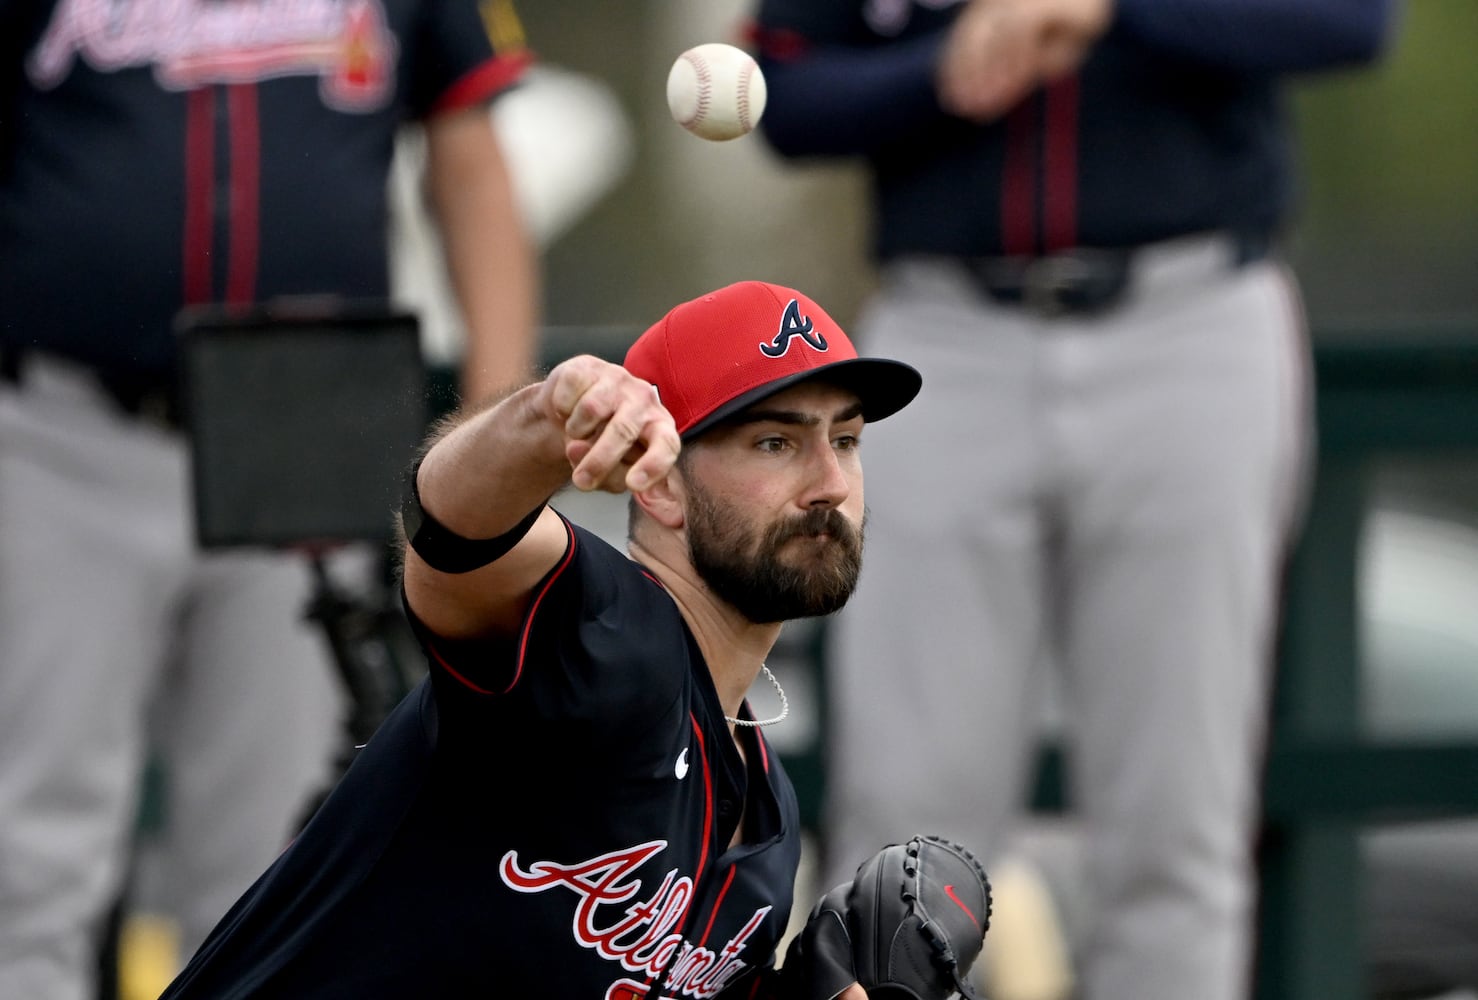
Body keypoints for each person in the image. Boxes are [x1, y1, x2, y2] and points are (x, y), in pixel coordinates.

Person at [746, 2, 1397, 999]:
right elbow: (779, 91)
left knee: (1174, 826)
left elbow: (1347, 21)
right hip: (942, 325)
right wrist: (937, 68)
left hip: (1188, 314)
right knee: (905, 830)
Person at [156, 280, 922, 998]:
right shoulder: (604, 632)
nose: (830, 482)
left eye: (847, 441)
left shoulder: (768, 820)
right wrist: (544, 419)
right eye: (775, 444)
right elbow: (451, 531)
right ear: (659, 485)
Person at [0, 2, 537, 997]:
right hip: (66, 426)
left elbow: (469, 153)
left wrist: (496, 419)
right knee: (29, 842)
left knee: (272, 849)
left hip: (304, 426)